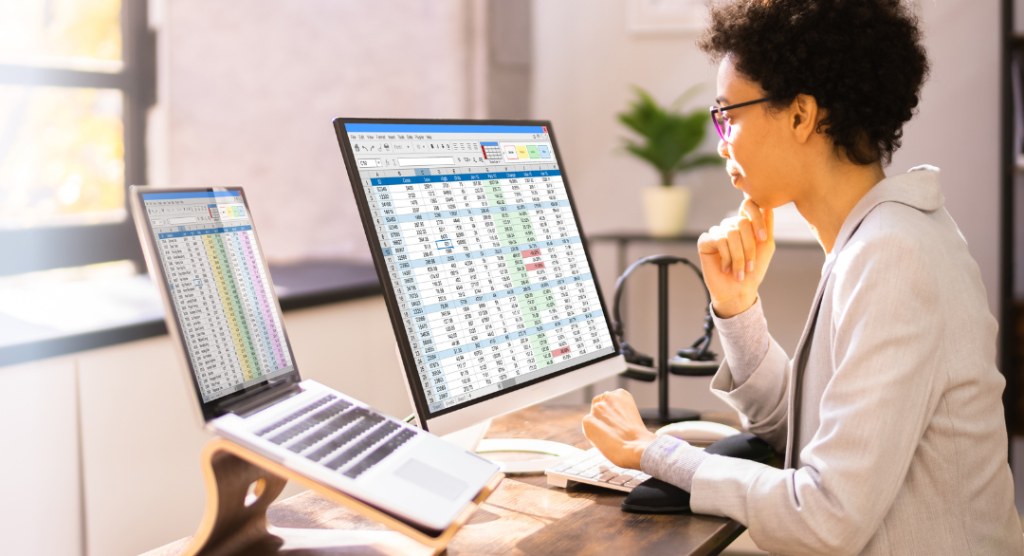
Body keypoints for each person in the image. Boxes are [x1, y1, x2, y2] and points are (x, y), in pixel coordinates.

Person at [582, 1, 1024, 554]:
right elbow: (816, 437)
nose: (722, 141)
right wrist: (739, 311)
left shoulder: (893, 255)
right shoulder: (875, 239)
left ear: (800, 116)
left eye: (729, 114)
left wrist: (649, 451)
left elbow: (827, 517)